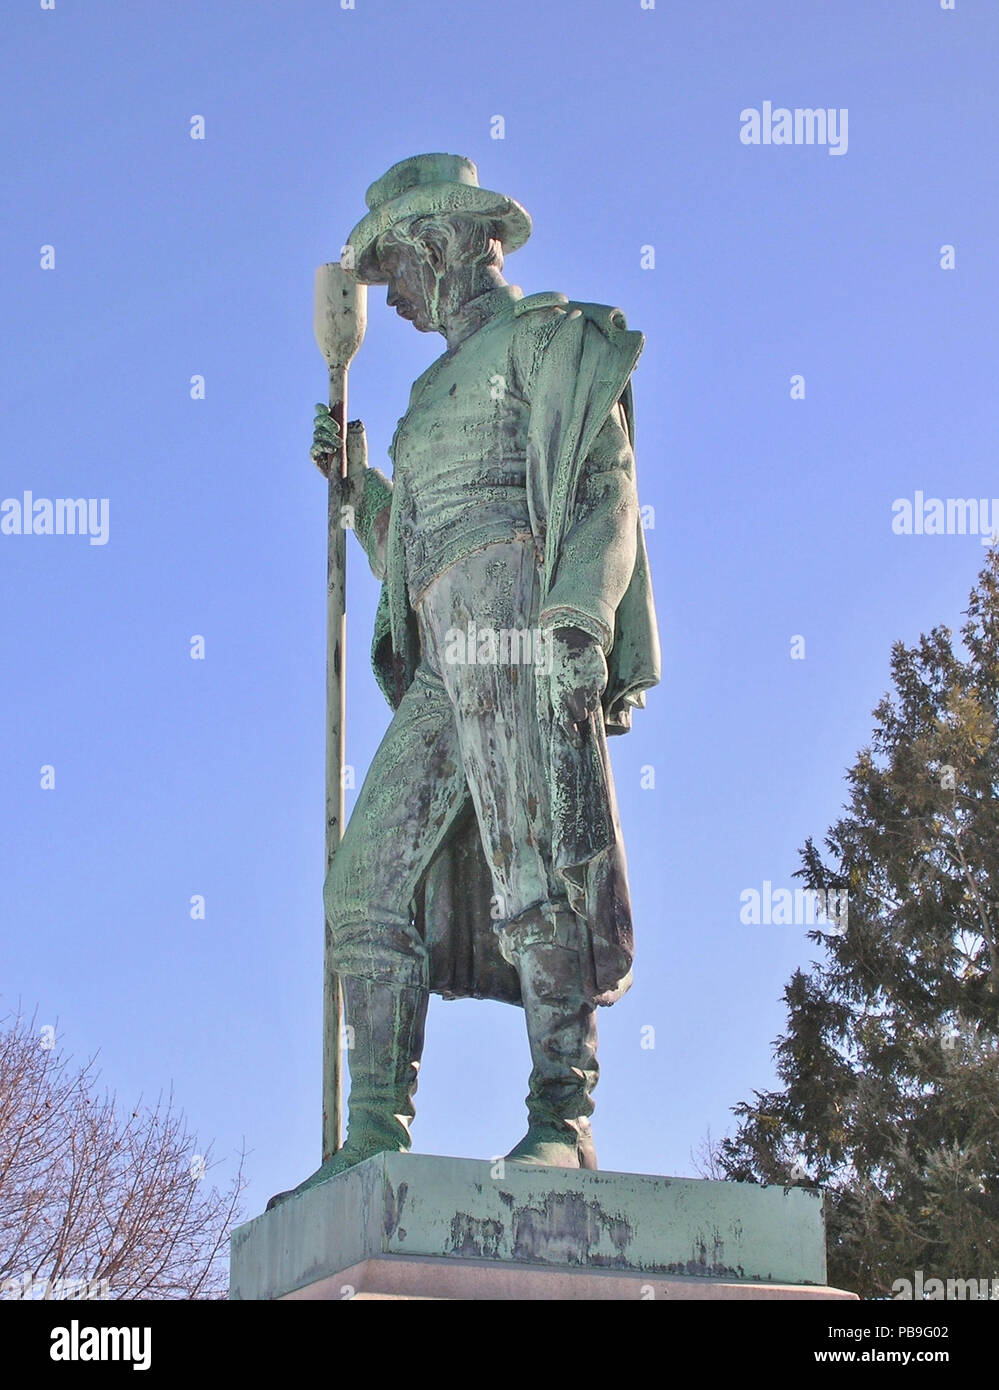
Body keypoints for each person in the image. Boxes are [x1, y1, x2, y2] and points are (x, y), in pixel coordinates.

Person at [268, 154, 659, 1209]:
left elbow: (605, 494)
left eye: (395, 265)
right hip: (444, 653)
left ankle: (561, 1118)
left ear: (442, 244)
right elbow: (412, 557)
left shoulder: (548, 338)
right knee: (362, 887)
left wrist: (578, 618)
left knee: (535, 878)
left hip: (517, 624)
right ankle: (373, 1133)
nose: (391, 294)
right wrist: (360, 492)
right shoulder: (422, 395)